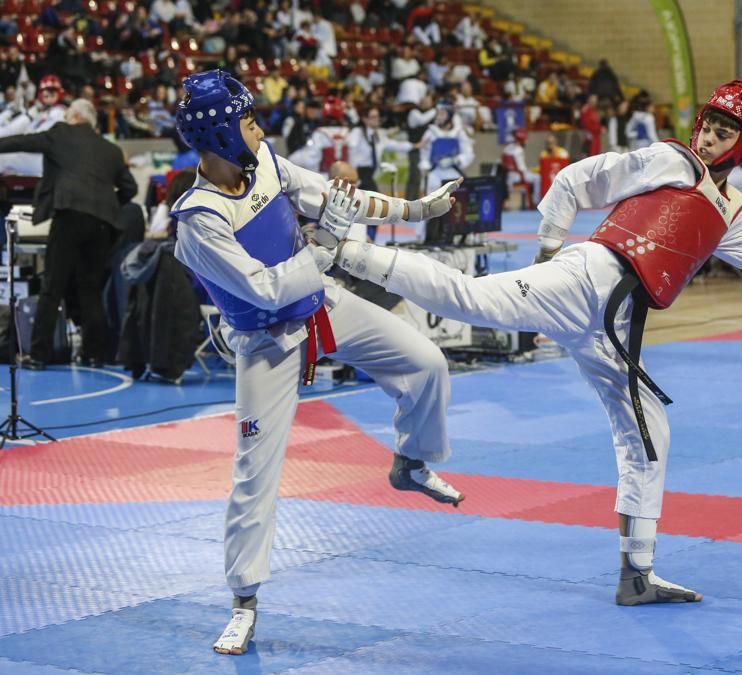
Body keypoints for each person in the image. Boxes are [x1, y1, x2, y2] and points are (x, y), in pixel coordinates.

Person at [311, 80, 742, 606]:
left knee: (647, 431)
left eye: (727, 131)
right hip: (588, 275)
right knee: (472, 298)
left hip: (615, 324)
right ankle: (345, 253)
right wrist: (547, 250)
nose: (712, 135)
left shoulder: (731, 210)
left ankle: (636, 573)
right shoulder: (670, 159)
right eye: (710, 123)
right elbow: (576, 178)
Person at [167, 70, 465, 656]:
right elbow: (262, 289)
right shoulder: (198, 220)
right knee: (256, 474)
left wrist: (416, 209)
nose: (258, 128)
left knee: (427, 362)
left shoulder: (270, 166)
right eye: (248, 120)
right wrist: (322, 249)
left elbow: (337, 201)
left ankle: (410, 460)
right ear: (222, 133)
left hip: (321, 306)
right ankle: (244, 602)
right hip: (267, 341)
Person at [0, 99, 136, 369]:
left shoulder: (60, 132)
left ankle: (38, 355)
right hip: (101, 224)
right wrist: (106, 207)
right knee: (90, 289)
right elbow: (129, 189)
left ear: (72, 116)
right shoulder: (110, 149)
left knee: (52, 286)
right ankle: (94, 354)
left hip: (69, 215)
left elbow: (22, 142)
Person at [345, 106, 413, 193]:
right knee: (374, 199)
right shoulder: (357, 132)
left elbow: (395, 145)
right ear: (365, 119)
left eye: (377, 116)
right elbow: (351, 151)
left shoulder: (378, 135)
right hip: (359, 172)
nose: (376, 119)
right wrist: (353, 175)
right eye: (373, 117)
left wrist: (414, 145)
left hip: (370, 173)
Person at [501, 127, 539, 205]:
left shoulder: (507, 148)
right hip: (517, 176)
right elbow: (521, 169)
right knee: (538, 177)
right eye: (525, 139)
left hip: (508, 177)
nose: (526, 141)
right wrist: (530, 170)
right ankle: (536, 201)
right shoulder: (519, 150)